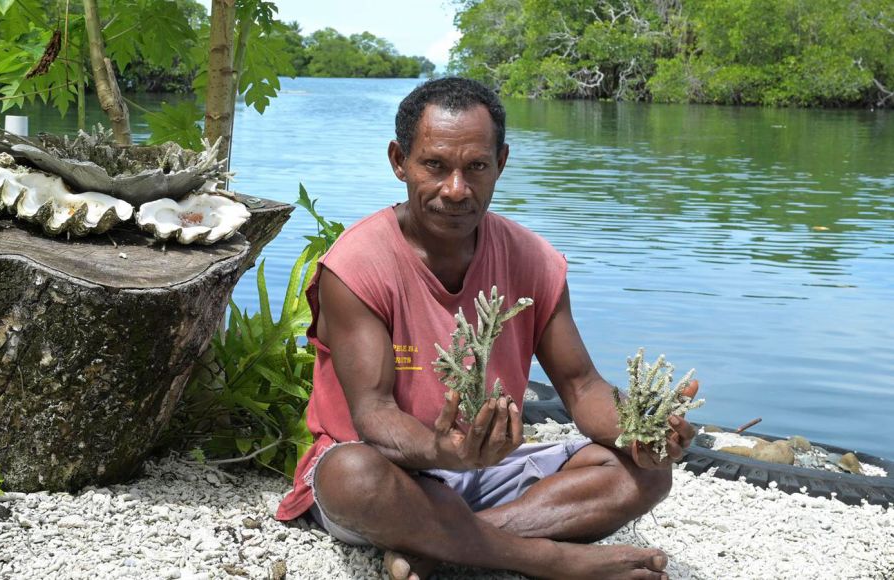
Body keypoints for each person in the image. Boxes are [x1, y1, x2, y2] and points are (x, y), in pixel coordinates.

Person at [276, 77, 699, 580]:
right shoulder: (356, 266)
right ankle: (551, 561)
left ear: (500, 163)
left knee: (644, 476)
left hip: (485, 467)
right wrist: (443, 452)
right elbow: (373, 413)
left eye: (475, 167)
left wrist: (642, 432)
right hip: (394, 469)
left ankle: (441, 545)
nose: (456, 190)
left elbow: (582, 386)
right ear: (398, 161)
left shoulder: (534, 261)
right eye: (435, 165)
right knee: (352, 477)